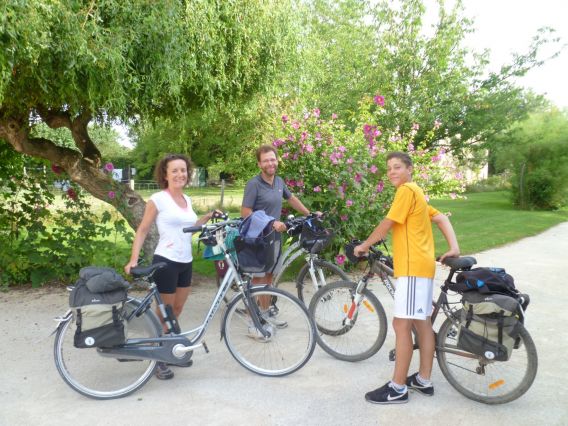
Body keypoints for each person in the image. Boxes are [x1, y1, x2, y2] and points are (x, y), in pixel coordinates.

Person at [354, 151, 460, 404]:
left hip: (413, 269)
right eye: (389, 168)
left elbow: (387, 223)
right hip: (421, 267)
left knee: (401, 325)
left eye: (397, 167)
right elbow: (441, 217)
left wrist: (364, 246)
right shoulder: (417, 194)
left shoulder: (406, 191)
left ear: (409, 169)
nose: (392, 171)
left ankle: (397, 388)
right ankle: (423, 380)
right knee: (421, 324)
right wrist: (454, 246)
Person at [124, 153, 220, 380]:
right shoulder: (158, 199)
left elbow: (189, 227)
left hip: (185, 261)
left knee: (176, 310)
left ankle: (168, 349)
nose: (180, 174)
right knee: (164, 312)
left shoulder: (186, 200)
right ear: (165, 175)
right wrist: (133, 259)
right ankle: (157, 358)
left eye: (183, 170)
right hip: (165, 261)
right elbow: (143, 229)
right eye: (174, 170)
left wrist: (206, 218)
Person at [241, 145, 316, 334]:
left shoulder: (279, 181)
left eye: (272, 159)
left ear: (277, 160)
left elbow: (291, 199)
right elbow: (245, 213)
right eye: (266, 160)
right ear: (259, 164)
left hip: (274, 238)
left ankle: (265, 315)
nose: (270, 163)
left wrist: (310, 214)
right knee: (258, 280)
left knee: (268, 278)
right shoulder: (254, 184)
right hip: (258, 239)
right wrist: (270, 222)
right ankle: (252, 322)